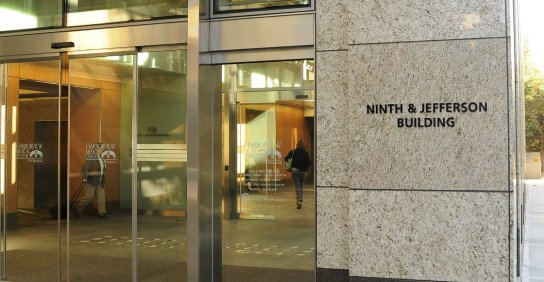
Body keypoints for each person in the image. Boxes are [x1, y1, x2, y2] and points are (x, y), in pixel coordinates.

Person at [74, 146, 107, 218]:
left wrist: (103, 181)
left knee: (101, 197)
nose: (101, 150)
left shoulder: (101, 158)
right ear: (96, 149)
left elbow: (103, 171)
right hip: (91, 181)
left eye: (102, 149)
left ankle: (102, 213)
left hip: (99, 181)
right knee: (89, 196)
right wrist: (84, 178)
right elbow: (85, 168)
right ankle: (78, 208)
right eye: (100, 149)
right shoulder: (91, 157)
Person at [285, 140, 311, 209]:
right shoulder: (306, 153)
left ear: (297, 145)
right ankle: (300, 199)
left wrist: (292, 162)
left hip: (295, 172)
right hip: (303, 172)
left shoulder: (293, 152)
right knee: (301, 186)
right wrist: (305, 168)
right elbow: (308, 163)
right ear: (303, 145)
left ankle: (299, 200)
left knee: (297, 186)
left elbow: (286, 158)